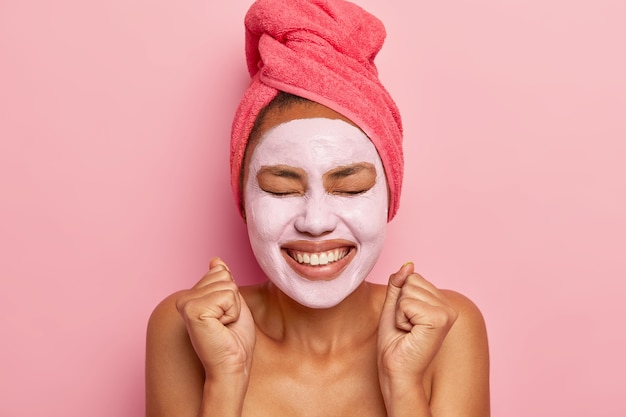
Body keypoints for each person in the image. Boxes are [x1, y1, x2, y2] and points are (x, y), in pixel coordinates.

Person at [145, 0, 490, 416]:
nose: (316, 222)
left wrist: (403, 386)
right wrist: (225, 378)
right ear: (244, 202)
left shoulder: (447, 327)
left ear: (389, 198)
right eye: (280, 188)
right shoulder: (186, 327)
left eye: (350, 187)